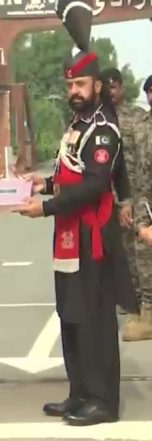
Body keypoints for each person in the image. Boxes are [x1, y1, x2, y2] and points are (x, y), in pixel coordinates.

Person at [16, 0, 138, 426]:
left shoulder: (103, 129)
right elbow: (70, 175)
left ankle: (103, 401)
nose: (74, 92)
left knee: (96, 318)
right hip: (70, 234)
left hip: (93, 235)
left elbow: (92, 185)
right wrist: (42, 184)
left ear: (98, 86)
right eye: (70, 85)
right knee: (70, 314)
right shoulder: (78, 126)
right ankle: (79, 392)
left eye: (81, 84)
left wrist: (45, 206)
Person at [100, 68, 151, 340]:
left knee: (138, 250)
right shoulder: (99, 120)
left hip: (136, 194)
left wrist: (130, 200)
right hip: (108, 195)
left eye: (115, 86)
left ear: (122, 88)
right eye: (106, 86)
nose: (111, 91)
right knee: (116, 249)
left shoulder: (137, 119)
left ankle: (141, 304)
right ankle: (128, 297)